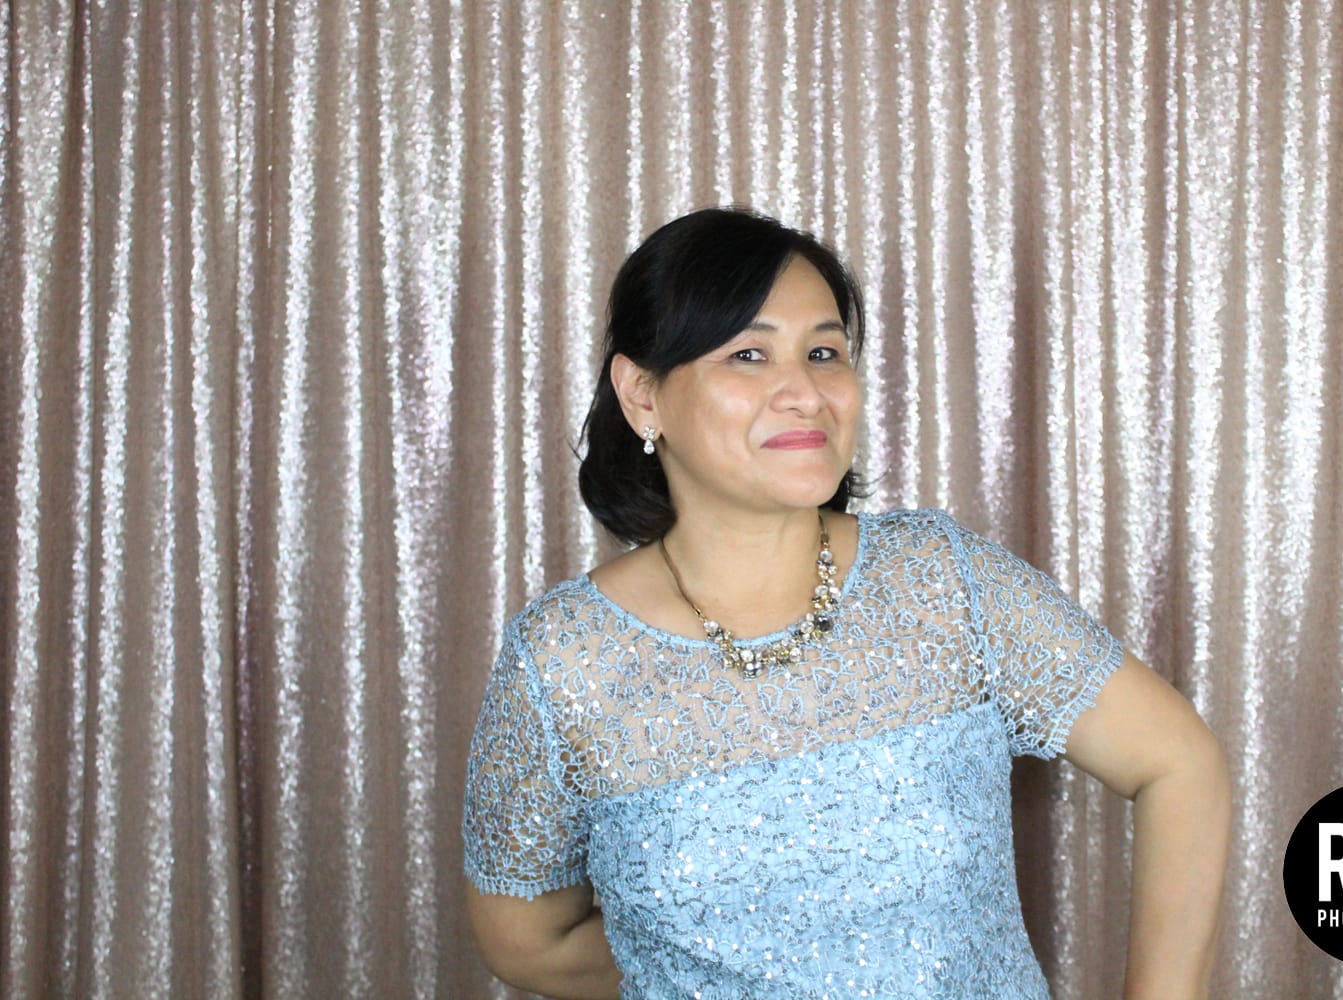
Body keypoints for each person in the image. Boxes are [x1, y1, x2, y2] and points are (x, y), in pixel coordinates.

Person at [462, 207, 1231, 999]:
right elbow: (527, 942)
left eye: (824, 352)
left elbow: (1180, 763)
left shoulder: (942, 582)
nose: (804, 393)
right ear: (642, 395)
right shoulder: (562, 661)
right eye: (749, 354)